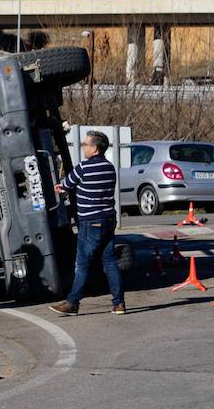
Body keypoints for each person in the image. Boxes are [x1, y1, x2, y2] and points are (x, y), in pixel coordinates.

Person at [49, 130, 125, 316]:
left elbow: (66, 185)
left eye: (86, 144)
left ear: (95, 148)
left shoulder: (84, 167)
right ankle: (119, 303)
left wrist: (59, 187)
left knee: (82, 264)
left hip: (90, 221)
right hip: (108, 219)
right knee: (110, 262)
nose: (83, 147)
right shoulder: (110, 167)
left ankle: (72, 302)